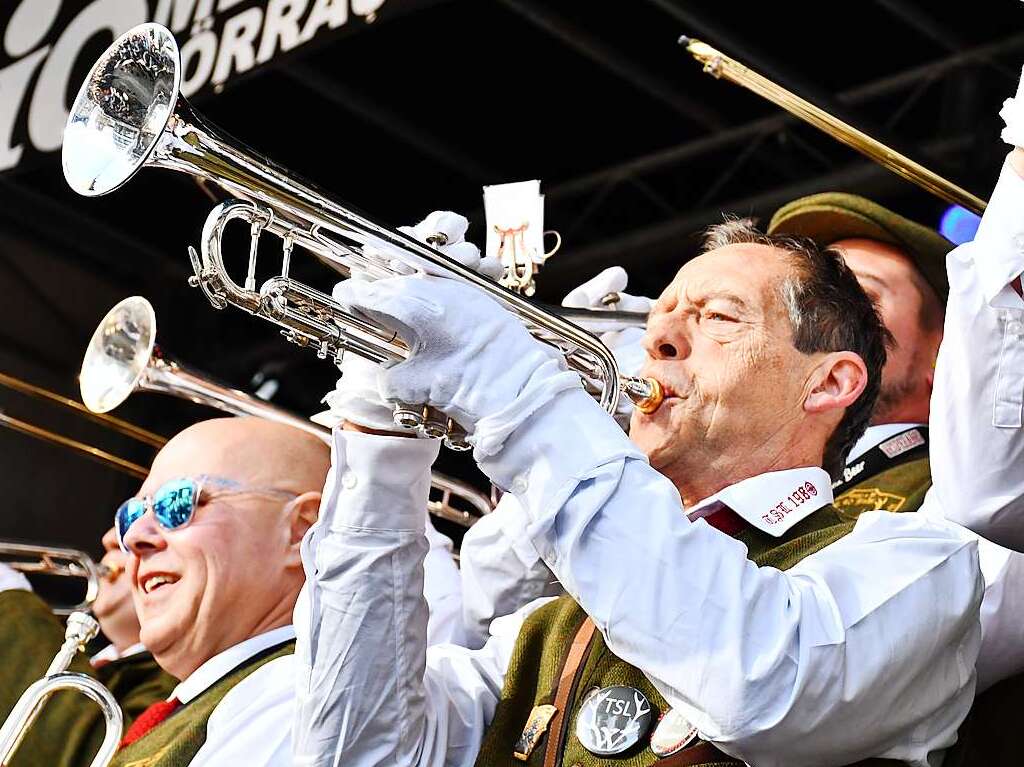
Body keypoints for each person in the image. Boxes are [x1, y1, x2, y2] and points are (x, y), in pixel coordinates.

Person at [293, 199, 1016, 767]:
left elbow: (758, 682)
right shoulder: (547, 627)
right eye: (661, 320)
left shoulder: (922, 564)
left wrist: (513, 384)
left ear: (830, 382)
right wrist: (377, 447)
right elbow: (354, 753)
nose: (660, 340)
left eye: (719, 318)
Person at [1, 415, 463, 767]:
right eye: (130, 515)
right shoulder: (211, 699)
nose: (134, 538)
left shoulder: (296, 697)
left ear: (301, 532)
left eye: (176, 504)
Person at [766, 194, 948, 515]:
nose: (821, 317)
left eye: (861, 296)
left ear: (943, 353)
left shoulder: (952, 496)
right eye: (807, 300)